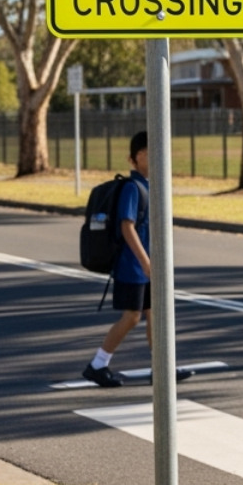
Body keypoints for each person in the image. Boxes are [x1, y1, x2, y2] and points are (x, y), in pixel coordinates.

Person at [81, 131, 193, 386]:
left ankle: (161, 367)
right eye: (152, 153)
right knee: (132, 317)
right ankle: (97, 365)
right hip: (132, 267)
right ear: (138, 157)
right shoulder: (133, 188)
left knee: (155, 314)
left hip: (147, 266)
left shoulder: (150, 186)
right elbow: (126, 227)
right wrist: (145, 262)